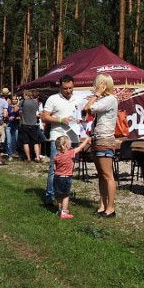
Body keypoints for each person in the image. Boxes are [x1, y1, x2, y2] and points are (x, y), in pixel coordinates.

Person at [82, 73, 118, 217]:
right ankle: (102, 205)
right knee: (101, 175)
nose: (95, 86)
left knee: (107, 175)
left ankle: (111, 208)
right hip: (98, 138)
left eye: (97, 84)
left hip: (105, 138)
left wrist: (96, 94)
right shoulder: (105, 100)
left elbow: (87, 108)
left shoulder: (109, 99)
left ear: (103, 85)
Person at [42, 75, 82, 205]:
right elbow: (44, 117)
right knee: (54, 168)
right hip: (57, 137)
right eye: (65, 88)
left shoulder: (79, 98)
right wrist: (60, 120)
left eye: (70, 88)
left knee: (68, 170)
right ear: (60, 87)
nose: (68, 90)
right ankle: (50, 195)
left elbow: (84, 115)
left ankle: (64, 196)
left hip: (73, 137)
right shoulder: (53, 99)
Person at [52, 135, 91, 219]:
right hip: (66, 177)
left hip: (57, 177)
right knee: (66, 195)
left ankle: (60, 210)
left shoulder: (56, 156)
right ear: (66, 145)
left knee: (59, 195)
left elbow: (54, 168)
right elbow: (80, 147)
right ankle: (64, 212)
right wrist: (86, 141)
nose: (71, 144)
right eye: (69, 143)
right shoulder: (70, 153)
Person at [18, 90, 41, 162]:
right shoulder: (35, 102)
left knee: (26, 142)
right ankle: (37, 157)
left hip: (24, 124)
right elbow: (36, 111)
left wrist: (21, 111)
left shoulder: (23, 101)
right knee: (35, 142)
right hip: (33, 124)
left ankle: (28, 158)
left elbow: (16, 109)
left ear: (26, 95)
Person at [4, 95, 21, 160]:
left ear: (17, 100)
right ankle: (9, 154)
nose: (14, 100)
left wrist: (15, 118)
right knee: (9, 140)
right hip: (8, 125)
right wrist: (8, 117)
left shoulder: (19, 108)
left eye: (15, 99)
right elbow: (5, 115)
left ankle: (15, 152)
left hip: (16, 125)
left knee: (16, 140)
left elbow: (20, 117)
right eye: (13, 99)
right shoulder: (8, 107)